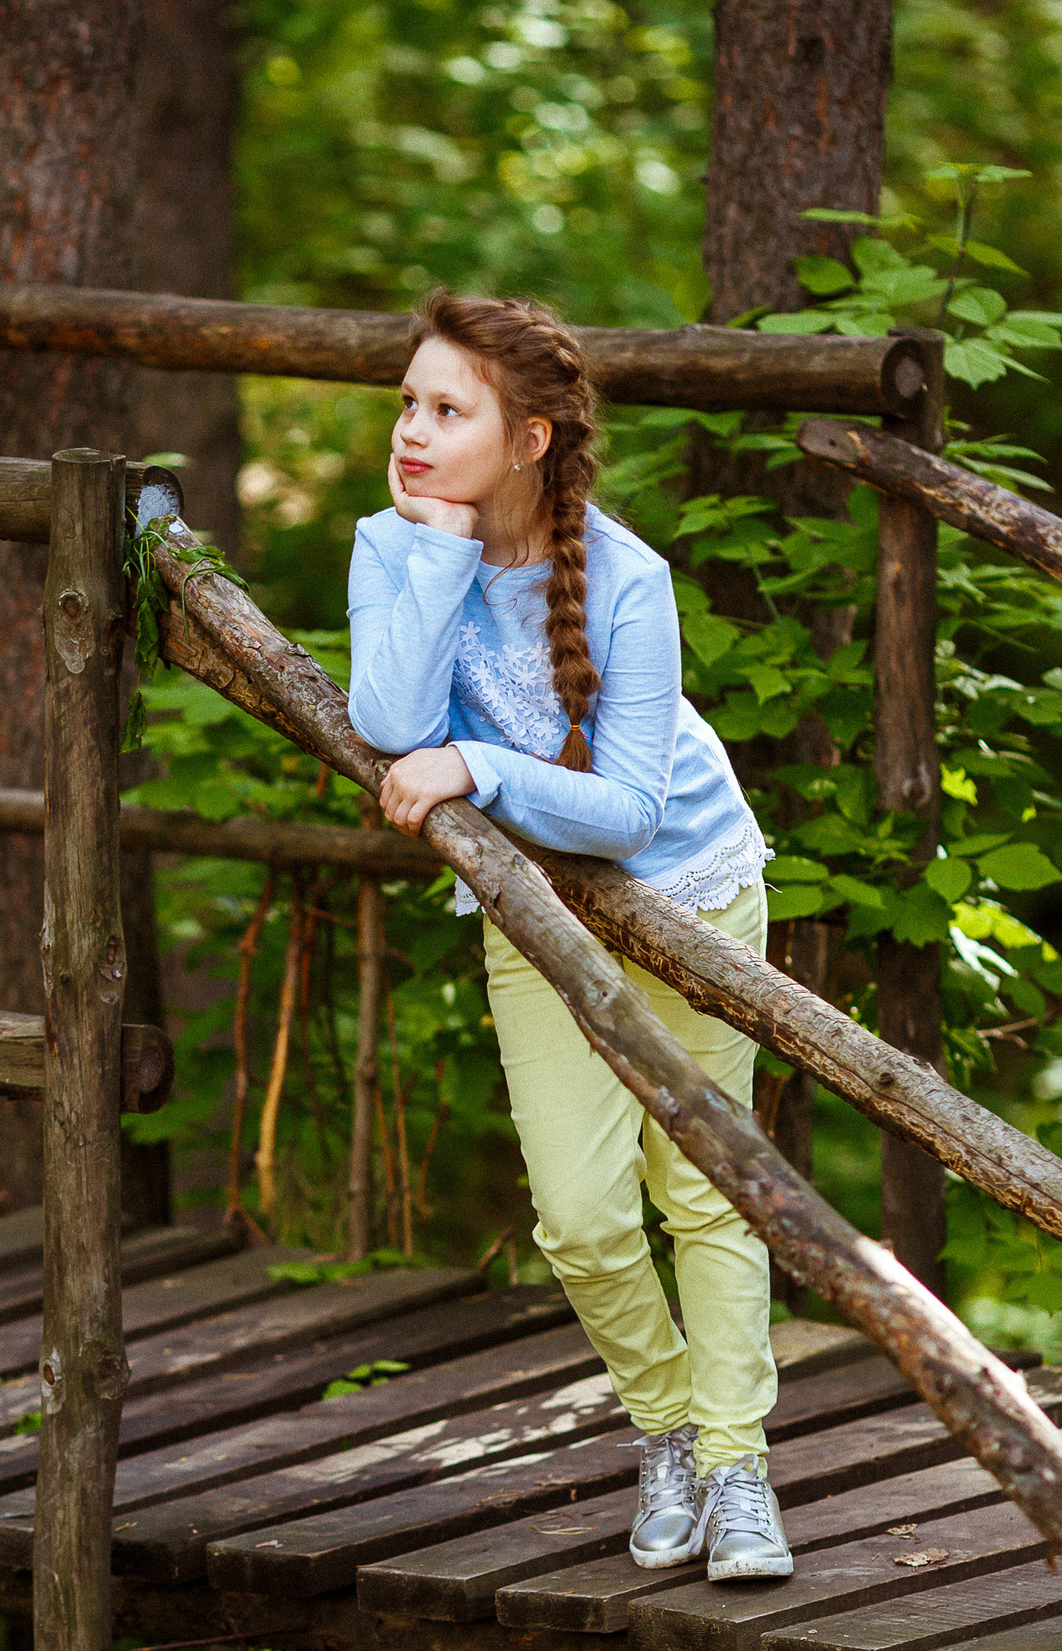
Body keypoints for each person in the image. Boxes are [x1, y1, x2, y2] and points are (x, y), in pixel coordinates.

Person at [346, 292, 790, 1581]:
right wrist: (432, 552)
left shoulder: (628, 577)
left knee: (706, 1193)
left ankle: (736, 1464)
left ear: (532, 438)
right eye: (408, 408)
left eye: (448, 411)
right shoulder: (392, 545)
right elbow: (385, 717)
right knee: (584, 1218)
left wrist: (477, 767)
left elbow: (632, 810)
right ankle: (663, 1426)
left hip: (689, 891)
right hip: (540, 911)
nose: (413, 435)